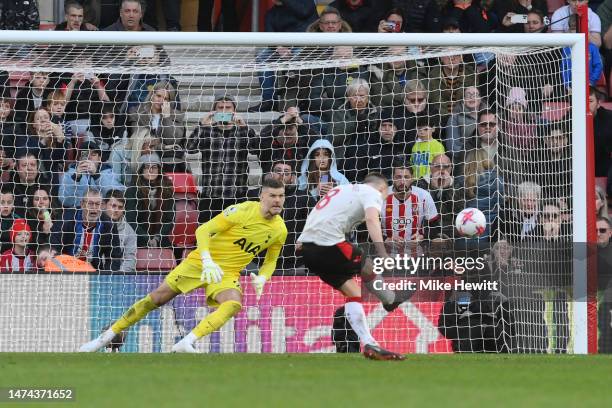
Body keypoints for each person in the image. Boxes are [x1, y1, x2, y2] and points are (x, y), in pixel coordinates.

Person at [79, 177, 288, 353]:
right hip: (200, 262)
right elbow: (202, 231)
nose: (277, 200)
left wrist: (263, 277)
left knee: (233, 304)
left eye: (281, 196)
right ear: (262, 196)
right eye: (273, 195)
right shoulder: (241, 211)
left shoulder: (280, 230)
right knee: (156, 298)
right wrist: (206, 261)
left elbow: (270, 261)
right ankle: (104, 338)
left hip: (227, 273)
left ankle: (187, 341)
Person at [297, 172, 405, 360]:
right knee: (367, 265)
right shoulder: (372, 193)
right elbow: (372, 219)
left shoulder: (340, 189)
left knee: (353, 291)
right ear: (382, 189)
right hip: (328, 244)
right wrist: (383, 253)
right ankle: (389, 299)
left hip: (307, 249)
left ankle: (371, 344)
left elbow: (318, 212)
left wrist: (302, 240)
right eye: (385, 196)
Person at [186, 95, 256, 222]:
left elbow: (256, 149)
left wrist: (244, 127)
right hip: (211, 195)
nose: (224, 110)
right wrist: (202, 124)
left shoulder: (242, 130)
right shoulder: (207, 131)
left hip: (237, 194)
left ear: (234, 111)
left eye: (228, 107)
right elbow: (189, 148)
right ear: (214, 111)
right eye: (220, 107)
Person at [51, 188, 122, 272]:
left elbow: (114, 257)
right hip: (66, 268)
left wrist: (105, 276)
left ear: (102, 206)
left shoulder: (109, 225)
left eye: (97, 204)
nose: (94, 208)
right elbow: (53, 247)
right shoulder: (65, 220)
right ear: (82, 204)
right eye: (90, 203)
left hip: (93, 270)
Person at [124, 153, 175, 248]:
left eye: (154, 167)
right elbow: (131, 220)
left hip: (160, 239)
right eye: (147, 167)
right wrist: (147, 238)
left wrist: (157, 238)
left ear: (159, 169)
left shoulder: (167, 190)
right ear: (141, 170)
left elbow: (169, 220)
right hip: (137, 239)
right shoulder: (132, 191)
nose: (151, 170)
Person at [382, 163, 439, 244]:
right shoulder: (380, 196)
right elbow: (368, 228)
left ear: (412, 178)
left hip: (416, 247)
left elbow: (435, 226)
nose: (402, 181)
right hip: (386, 248)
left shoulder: (424, 195)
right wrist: (385, 239)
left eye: (406, 177)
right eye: (398, 177)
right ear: (392, 178)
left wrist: (423, 236)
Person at [58, 141, 125, 208]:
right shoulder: (70, 173)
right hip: (77, 212)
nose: (89, 158)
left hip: (101, 213)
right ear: (80, 158)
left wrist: (96, 175)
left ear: (99, 158)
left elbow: (116, 197)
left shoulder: (108, 172)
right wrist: (75, 178)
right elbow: (64, 201)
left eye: (93, 155)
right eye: (85, 154)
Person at [104, 189, 136, 273]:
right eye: (113, 206)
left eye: (120, 207)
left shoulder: (129, 231)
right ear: (104, 205)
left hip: (117, 276)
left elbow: (130, 260)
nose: (116, 210)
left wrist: (117, 276)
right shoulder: (95, 224)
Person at [411, 115, 445, 180]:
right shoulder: (415, 146)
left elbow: (440, 166)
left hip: (430, 181)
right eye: (419, 129)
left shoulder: (437, 146)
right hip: (415, 180)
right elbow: (412, 163)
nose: (422, 132)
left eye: (425, 129)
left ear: (433, 129)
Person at [0, 187, 17, 252]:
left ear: (13, 204)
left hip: (12, 253)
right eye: (2, 202)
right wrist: (8, 233)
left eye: (9, 202)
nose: (6, 206)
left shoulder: (17, 219)